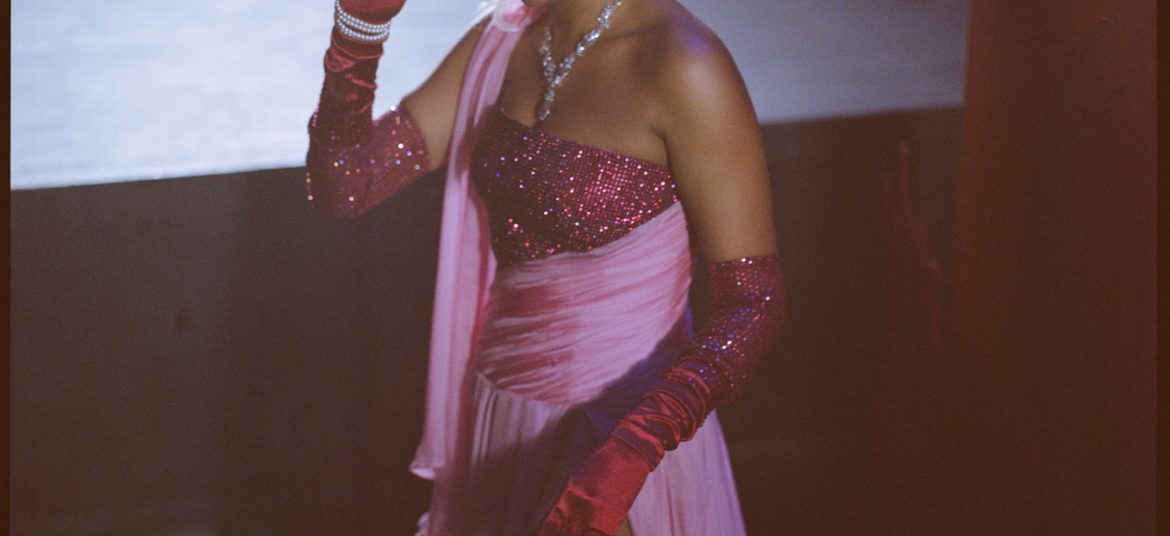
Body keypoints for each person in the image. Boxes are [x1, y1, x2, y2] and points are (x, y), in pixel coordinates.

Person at [305, 0, 785, 534]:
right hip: (500, 421)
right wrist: (360, 30)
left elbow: (753, 301)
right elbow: (347, 184)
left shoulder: (682, 63)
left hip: (618, 450)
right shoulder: (504, 38)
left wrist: (633, 449)